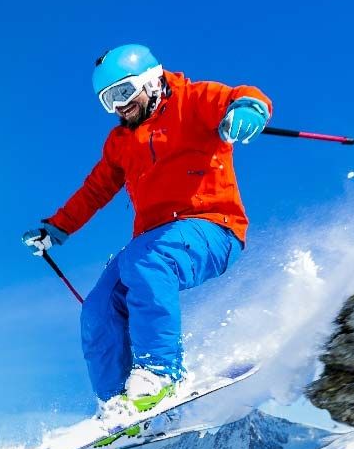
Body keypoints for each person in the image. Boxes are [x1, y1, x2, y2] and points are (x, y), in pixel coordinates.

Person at [23, 43, 272, 423]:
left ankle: (160, 374)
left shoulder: (193, 100)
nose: (119, 107)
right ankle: (118, 403)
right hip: (153, 244)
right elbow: (95, 190)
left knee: (145, 259)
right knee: (98, 308)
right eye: (108, 101)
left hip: (213, 228)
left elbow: (242, 95)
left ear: (151, 80)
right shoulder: (121, 143)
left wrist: (249, 109)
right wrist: (56, 228)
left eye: (123, 92)